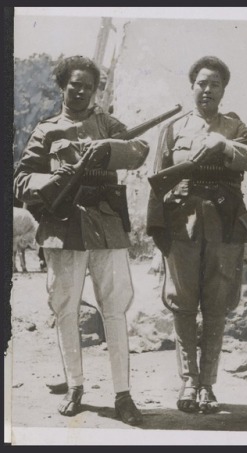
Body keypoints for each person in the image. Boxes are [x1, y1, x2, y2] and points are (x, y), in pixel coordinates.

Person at [14, 56, 149, 426]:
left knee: (115, 310)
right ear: (62, 86)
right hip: (63, 227)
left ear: (95, 90)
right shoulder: (47, 130)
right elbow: (21, 179)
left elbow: (139, 148)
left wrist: (108, 149)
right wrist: (55, 180)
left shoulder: (108, 123)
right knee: (65, 308)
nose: (80, 91)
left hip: (106, 226)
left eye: (87, 86)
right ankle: (75, 387)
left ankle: (123, 394)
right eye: (74, 84)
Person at [146, 56, 247, 414]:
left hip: (224, 224)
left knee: (216, 305)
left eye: (215, 84)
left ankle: (208, 386)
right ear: (192, 86)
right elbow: (158, 182)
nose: (207, 90)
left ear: (224, 90)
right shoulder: (173, 128)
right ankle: (187, 381)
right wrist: (158, 234)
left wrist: (224, 146)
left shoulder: (235, 126)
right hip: (182, 224)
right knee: (183, 304)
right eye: (201, 83)